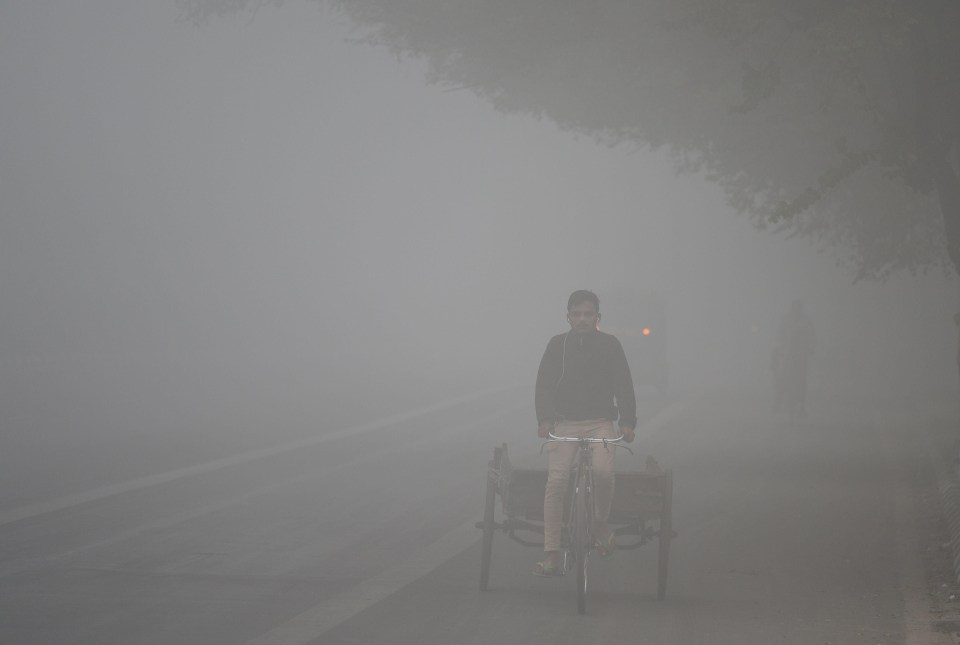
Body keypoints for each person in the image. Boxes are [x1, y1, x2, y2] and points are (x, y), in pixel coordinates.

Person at [532, 290, 637, 576]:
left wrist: (627, 422)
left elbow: (624, 385)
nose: (581, 319)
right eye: (576, 314)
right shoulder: (557, 346)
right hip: (564, 423)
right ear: (568, 317)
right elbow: (544, 385)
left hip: (600, 422)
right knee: (556, 483)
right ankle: (552, 553)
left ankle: (600, 523)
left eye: (587, 314)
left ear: (597, 318)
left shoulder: (610, 345)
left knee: (603, 472)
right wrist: (544, 419)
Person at [773, 299, 816, 418]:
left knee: (802, 381)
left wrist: (811, 348)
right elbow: (779, 335)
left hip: (801, 356)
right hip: (788, 354)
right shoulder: (786, 320)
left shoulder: (806, 321)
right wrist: (778, 348)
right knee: (782, 377)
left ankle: (802, 406)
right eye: (794, 308)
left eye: (798, 308)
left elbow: (813, 335)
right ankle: (778, 401)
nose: (796, 310)